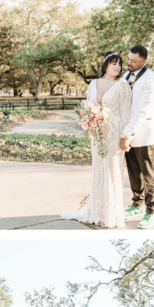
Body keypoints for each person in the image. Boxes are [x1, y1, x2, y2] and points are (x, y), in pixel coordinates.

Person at [61, 52, 131, 229]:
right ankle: (97, 211)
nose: (117, 67)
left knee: (112, 170)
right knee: (99, 170)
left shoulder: (122, 84)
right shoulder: (93, 84)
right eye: (113, 63)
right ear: (105, 65)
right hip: (97, 132)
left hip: (114, 132)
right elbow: (88, 106)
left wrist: (126, 136)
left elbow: (126, 113)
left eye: (120, 64)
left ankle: (110, 214)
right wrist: (89, 119)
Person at [121, 45, 154, 229]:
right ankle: (136, 204)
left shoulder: (151, 80)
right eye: (128, 59)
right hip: (127, 133)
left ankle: (151, 212)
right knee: (133, 171)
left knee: (147, 173)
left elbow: (143, 111)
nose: (129, 63)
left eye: (133, 61)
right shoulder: (125, 75)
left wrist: (126, 134)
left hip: (145, 135)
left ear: (143, 61)